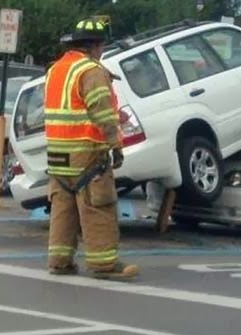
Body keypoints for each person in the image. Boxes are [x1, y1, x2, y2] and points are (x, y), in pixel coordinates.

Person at [44, 17, 138, 279]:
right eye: (102, 45)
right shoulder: (91, 71)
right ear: (96, 46)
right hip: (86, 151)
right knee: (98, 206)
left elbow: (70, 109)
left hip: (57, 153)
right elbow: (101, 111)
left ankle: (60, 261)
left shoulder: (57, 69)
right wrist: (115, 144)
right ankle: (103, 264)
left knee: (64, 206)